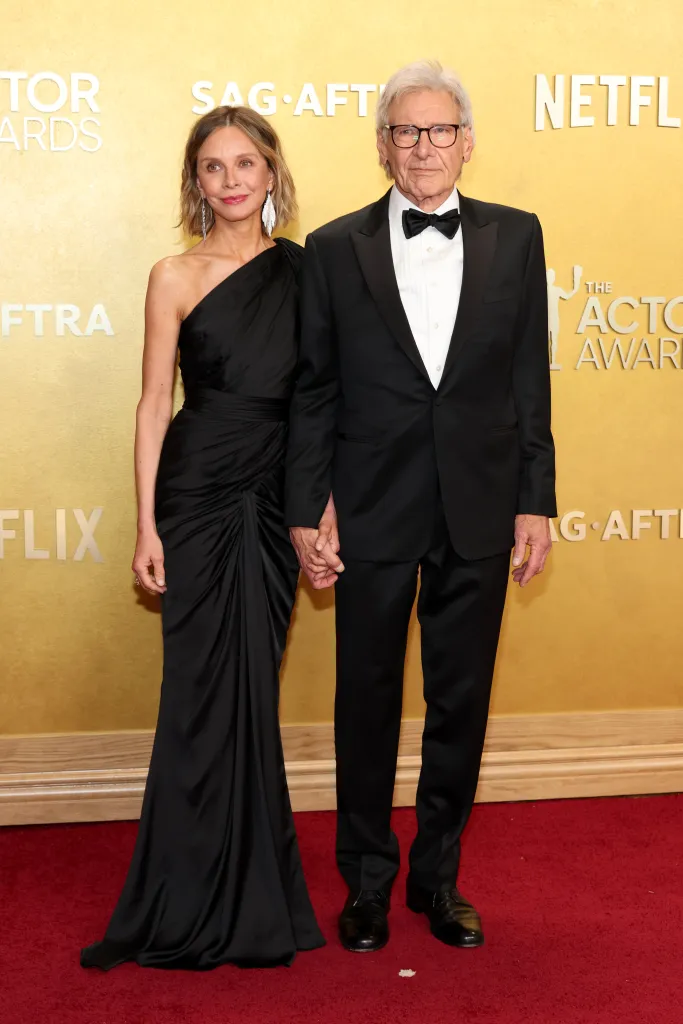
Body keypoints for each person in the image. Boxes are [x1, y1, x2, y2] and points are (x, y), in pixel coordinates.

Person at [286, 60, 556, 953]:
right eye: (407, 131)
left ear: (467, 142)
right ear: (382, 146)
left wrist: (534, 500)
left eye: (441, 130)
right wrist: (305, 508)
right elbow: (314, 391)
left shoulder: (517, 237)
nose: (425, 146)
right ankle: (366, 881)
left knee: (460, 703)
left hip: (479, 505)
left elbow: (527, 380)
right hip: (368, 506)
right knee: (364, 697)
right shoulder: (332, 249)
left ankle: (437, 880)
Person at [81, 105, 324, 970]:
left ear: (270, 174)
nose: (230, 180)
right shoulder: (173, 274)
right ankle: (181, 897)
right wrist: (145, 521)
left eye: (245, 164)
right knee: (194, 696)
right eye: (213, 167)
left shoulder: (309, 272)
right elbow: (154, 403)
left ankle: (256, 893)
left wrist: (317, 508)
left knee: (253, 691)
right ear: (196, 181)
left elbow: (319, 407)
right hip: (194, 493)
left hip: (269, 498)